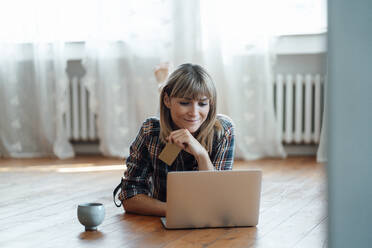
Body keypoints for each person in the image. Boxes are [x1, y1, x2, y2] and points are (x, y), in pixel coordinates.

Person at [113, 63, 235, 217]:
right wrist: (176, 211)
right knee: (166, 123)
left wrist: (201, 154)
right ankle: (163, 84)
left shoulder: (223, 130)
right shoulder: (150, 130)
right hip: (165, 223)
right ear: (167, 100)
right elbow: (129, 196)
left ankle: (163, 83)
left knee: (178, 117)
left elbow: (219, 201)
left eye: (202, 103)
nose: (194, 113)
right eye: (185, 103)